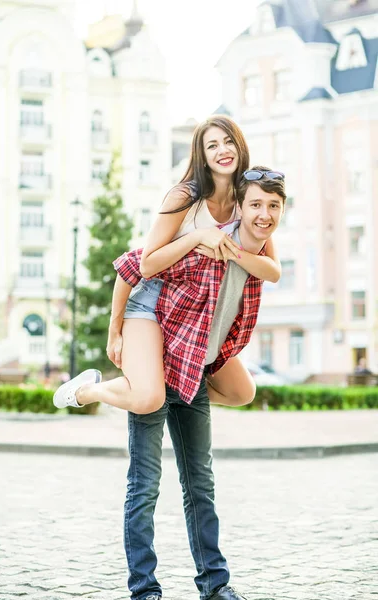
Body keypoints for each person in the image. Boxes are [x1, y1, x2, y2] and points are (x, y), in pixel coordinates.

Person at [54, 167, 287, 600]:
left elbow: (273, 271)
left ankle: (215, 587)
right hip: (157, 359)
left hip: (195, 370)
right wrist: (116, 330)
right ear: (240, 205)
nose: (264, 213)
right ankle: (144, 590)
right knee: (145, 484)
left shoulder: (252, 245)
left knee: (201, 482)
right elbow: (133, 266)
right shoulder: (201, 232)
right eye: (256, 204)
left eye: (273, 206)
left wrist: (237, 251)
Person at [53, 115, 281, 413]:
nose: (222, 151)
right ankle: (86, 390)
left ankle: (166, 386)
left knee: (241, 391)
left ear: (239, 146)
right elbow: (145, 264)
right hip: (153, 300)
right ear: (202, 156)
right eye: (212, 145)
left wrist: (230, 251)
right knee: (148, 400)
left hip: (196, 313)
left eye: (228, 142)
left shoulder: (247, 201)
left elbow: (271, 268)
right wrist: (198, 236)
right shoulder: (184, 197)